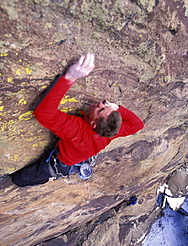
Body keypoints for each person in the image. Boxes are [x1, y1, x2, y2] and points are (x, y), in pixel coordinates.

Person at [12, 53, 144, 187]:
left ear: (93, 124)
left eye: (100, 110)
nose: (100, 104)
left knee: (18, 179)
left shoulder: (79, 131)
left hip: (59, 163)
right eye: (105, 106)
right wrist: (117, 108)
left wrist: (69, 78)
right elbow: (137, 125)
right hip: (74, 158)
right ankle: (52, 177)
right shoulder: (111, 131)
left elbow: (44, 114)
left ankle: (48, 178)